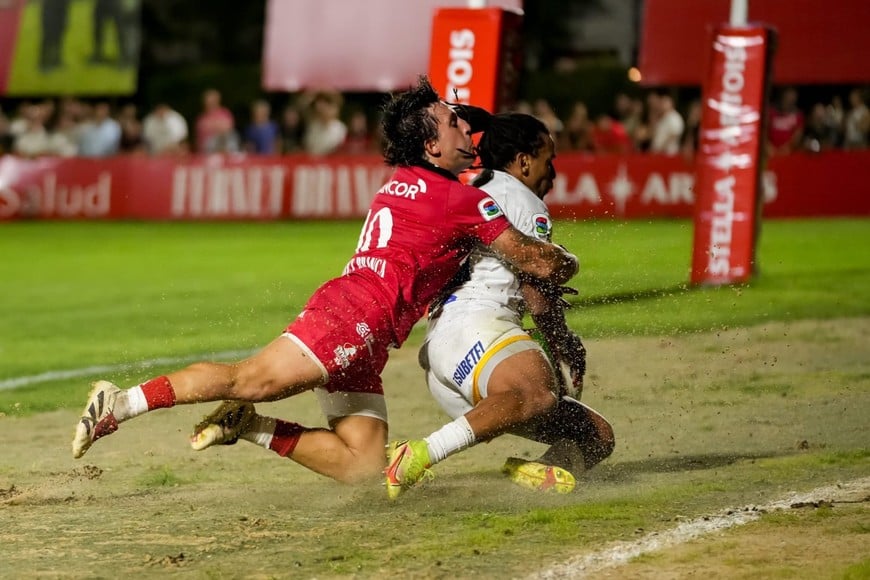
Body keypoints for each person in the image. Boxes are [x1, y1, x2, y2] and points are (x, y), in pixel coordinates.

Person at [71, 77, 579, 486]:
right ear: (431, 145)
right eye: (453, 124)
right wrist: (568, 262)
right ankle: (122, 402)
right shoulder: (460, 200)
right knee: (250, 380)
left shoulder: (406, 181)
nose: (466, 131)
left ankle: (250, 425)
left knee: (363, 467)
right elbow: (534, 261)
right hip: (352, 318)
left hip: (367, 331)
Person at [385, 113, 613, 498]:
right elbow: (537, 291)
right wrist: (563, 343)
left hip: (446, 354)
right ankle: (419, 453)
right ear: (523, 161)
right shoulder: (522, 199)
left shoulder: (468, 188)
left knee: (595, 434)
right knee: (538, 392)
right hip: (477, 325)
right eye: (548, 161)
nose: (553, 173)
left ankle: (541, 472)